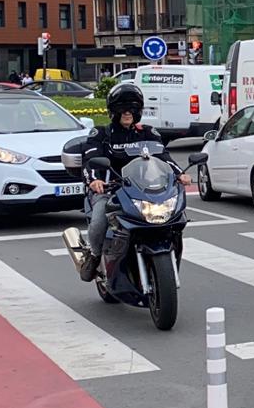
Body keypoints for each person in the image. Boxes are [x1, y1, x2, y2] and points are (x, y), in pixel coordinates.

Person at [78, 82, 187, 278]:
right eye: (122, 109)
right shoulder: (102, 134)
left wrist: (180, 174)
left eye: (132, 109)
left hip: (143, 190)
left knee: (174, 216)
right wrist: (95, 181)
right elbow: (90, 161)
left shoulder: (148, 132)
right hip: (110, 191)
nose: (127, 113)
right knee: (98, 219)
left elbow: (164, 157)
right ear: (113, 110)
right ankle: (93, 256)